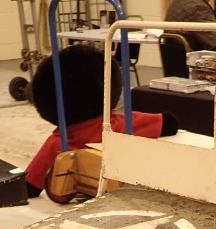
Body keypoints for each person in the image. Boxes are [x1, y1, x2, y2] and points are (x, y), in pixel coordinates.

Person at [24, 44, 178, 197]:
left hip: (73, 193)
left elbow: (29, 186)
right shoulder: (119, 125)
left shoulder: (57, 143)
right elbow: (167, 123)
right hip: (120, 191)